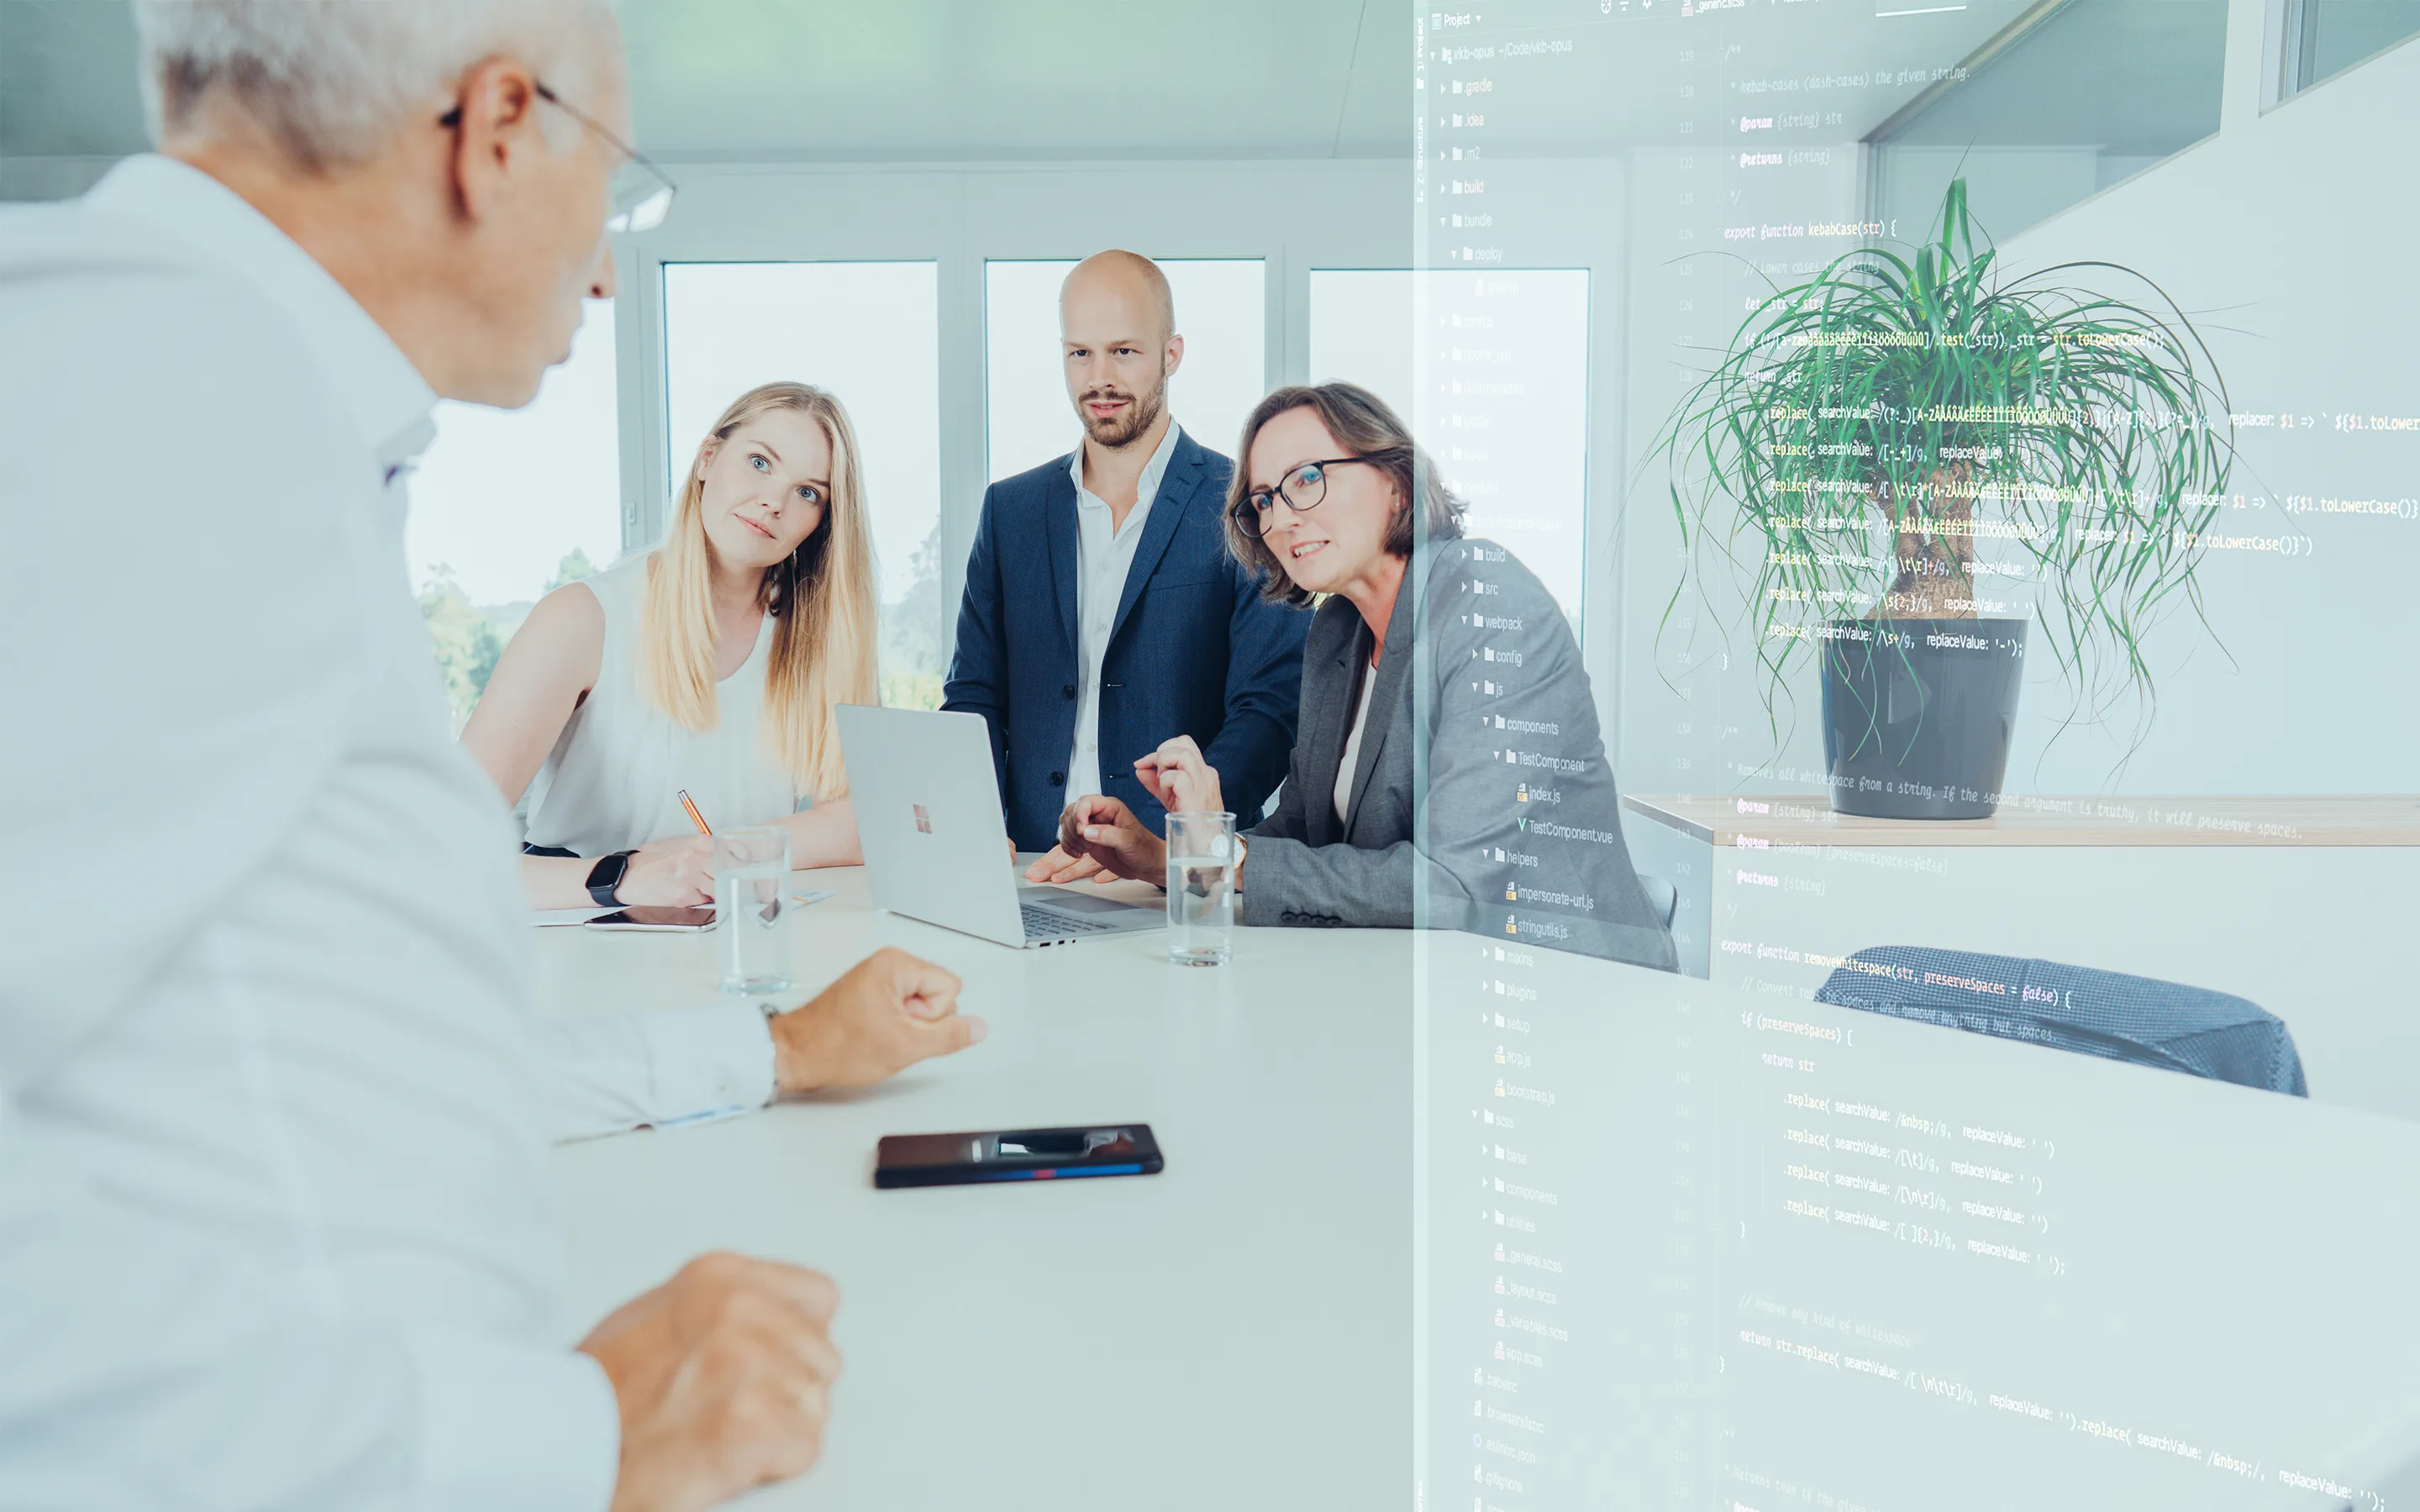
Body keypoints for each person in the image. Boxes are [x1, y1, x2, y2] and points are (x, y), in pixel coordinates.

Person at [0, 4, 980, 1509]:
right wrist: (566, 1439)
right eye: (621, 186)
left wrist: (768, 1050)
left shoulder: (239, 416)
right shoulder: (137, 417)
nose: (604, 265)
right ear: (499, 126)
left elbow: (344, 1047)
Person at [1054, 383, 1680, 972]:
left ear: (1397, 483)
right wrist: (1173, 856)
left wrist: (1225, 857)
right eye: (1264, 500)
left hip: (1564, 996)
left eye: (1307, 478)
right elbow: (1302, 832)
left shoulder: (1492, 605)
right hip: (1418, 986)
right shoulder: (1337, 634)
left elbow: (1452, 886)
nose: (1281, 518)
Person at [944, 250, 1309, 873]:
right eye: (1080, 353)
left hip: (1171, 875)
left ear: (1172, 354)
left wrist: (1174, 845)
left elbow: (1269, 710)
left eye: (1124, 351)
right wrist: (969, 823)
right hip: (1028, 868)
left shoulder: (1245, 504)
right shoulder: (1010, 511)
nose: (1099, 378)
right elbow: (974, 696)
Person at [465, 381, 878, 909]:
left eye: (807, 492)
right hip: (581, 937)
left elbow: (856, 824)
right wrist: (627, 876)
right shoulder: (582, 619)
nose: (773, 501)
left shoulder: (818, 642)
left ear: (821, 523)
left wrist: (703, 855)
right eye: (759, 462)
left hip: (725, 938)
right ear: (707, 458)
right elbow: (442, 843)